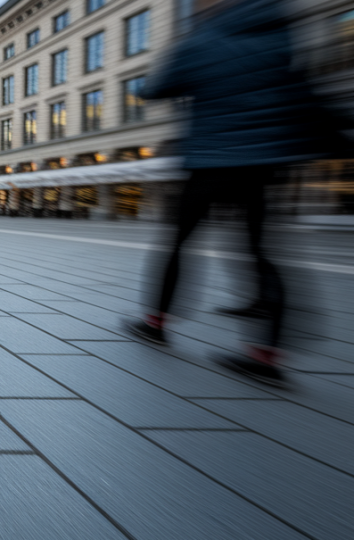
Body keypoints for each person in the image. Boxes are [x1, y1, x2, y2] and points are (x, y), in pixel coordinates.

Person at [125, 0, 343, 386]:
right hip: (263, 163)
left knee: (179, 241)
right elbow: (303, 91)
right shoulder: (280, 36)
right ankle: (266, 355)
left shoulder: (203, 38)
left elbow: (156, 88)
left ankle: (155, 322)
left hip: (211, 159)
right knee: (262, 251)